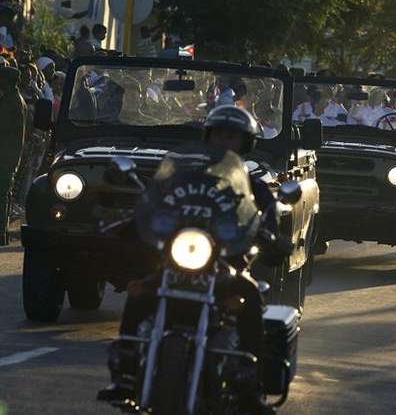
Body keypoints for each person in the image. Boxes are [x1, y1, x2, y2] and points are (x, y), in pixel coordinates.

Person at [99, 106, 280, 412]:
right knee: (141, 290)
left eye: (232, 137)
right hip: (179, 262)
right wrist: (130, 223)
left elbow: (266, 223)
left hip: (225, 267)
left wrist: (272, 238)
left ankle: (252, 382)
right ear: (207, 136)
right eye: (220, 134)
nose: (225, 142)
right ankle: (125, 372)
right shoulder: (181, 179)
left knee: (249, 294)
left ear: (245, 144)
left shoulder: (254, 188)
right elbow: (155, 202)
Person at [0, 59, 26, 245]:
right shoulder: (14, 98)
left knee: (2, 195)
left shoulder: (10, 101)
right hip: (9, 154)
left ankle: (1, 232)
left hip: (5, 155)